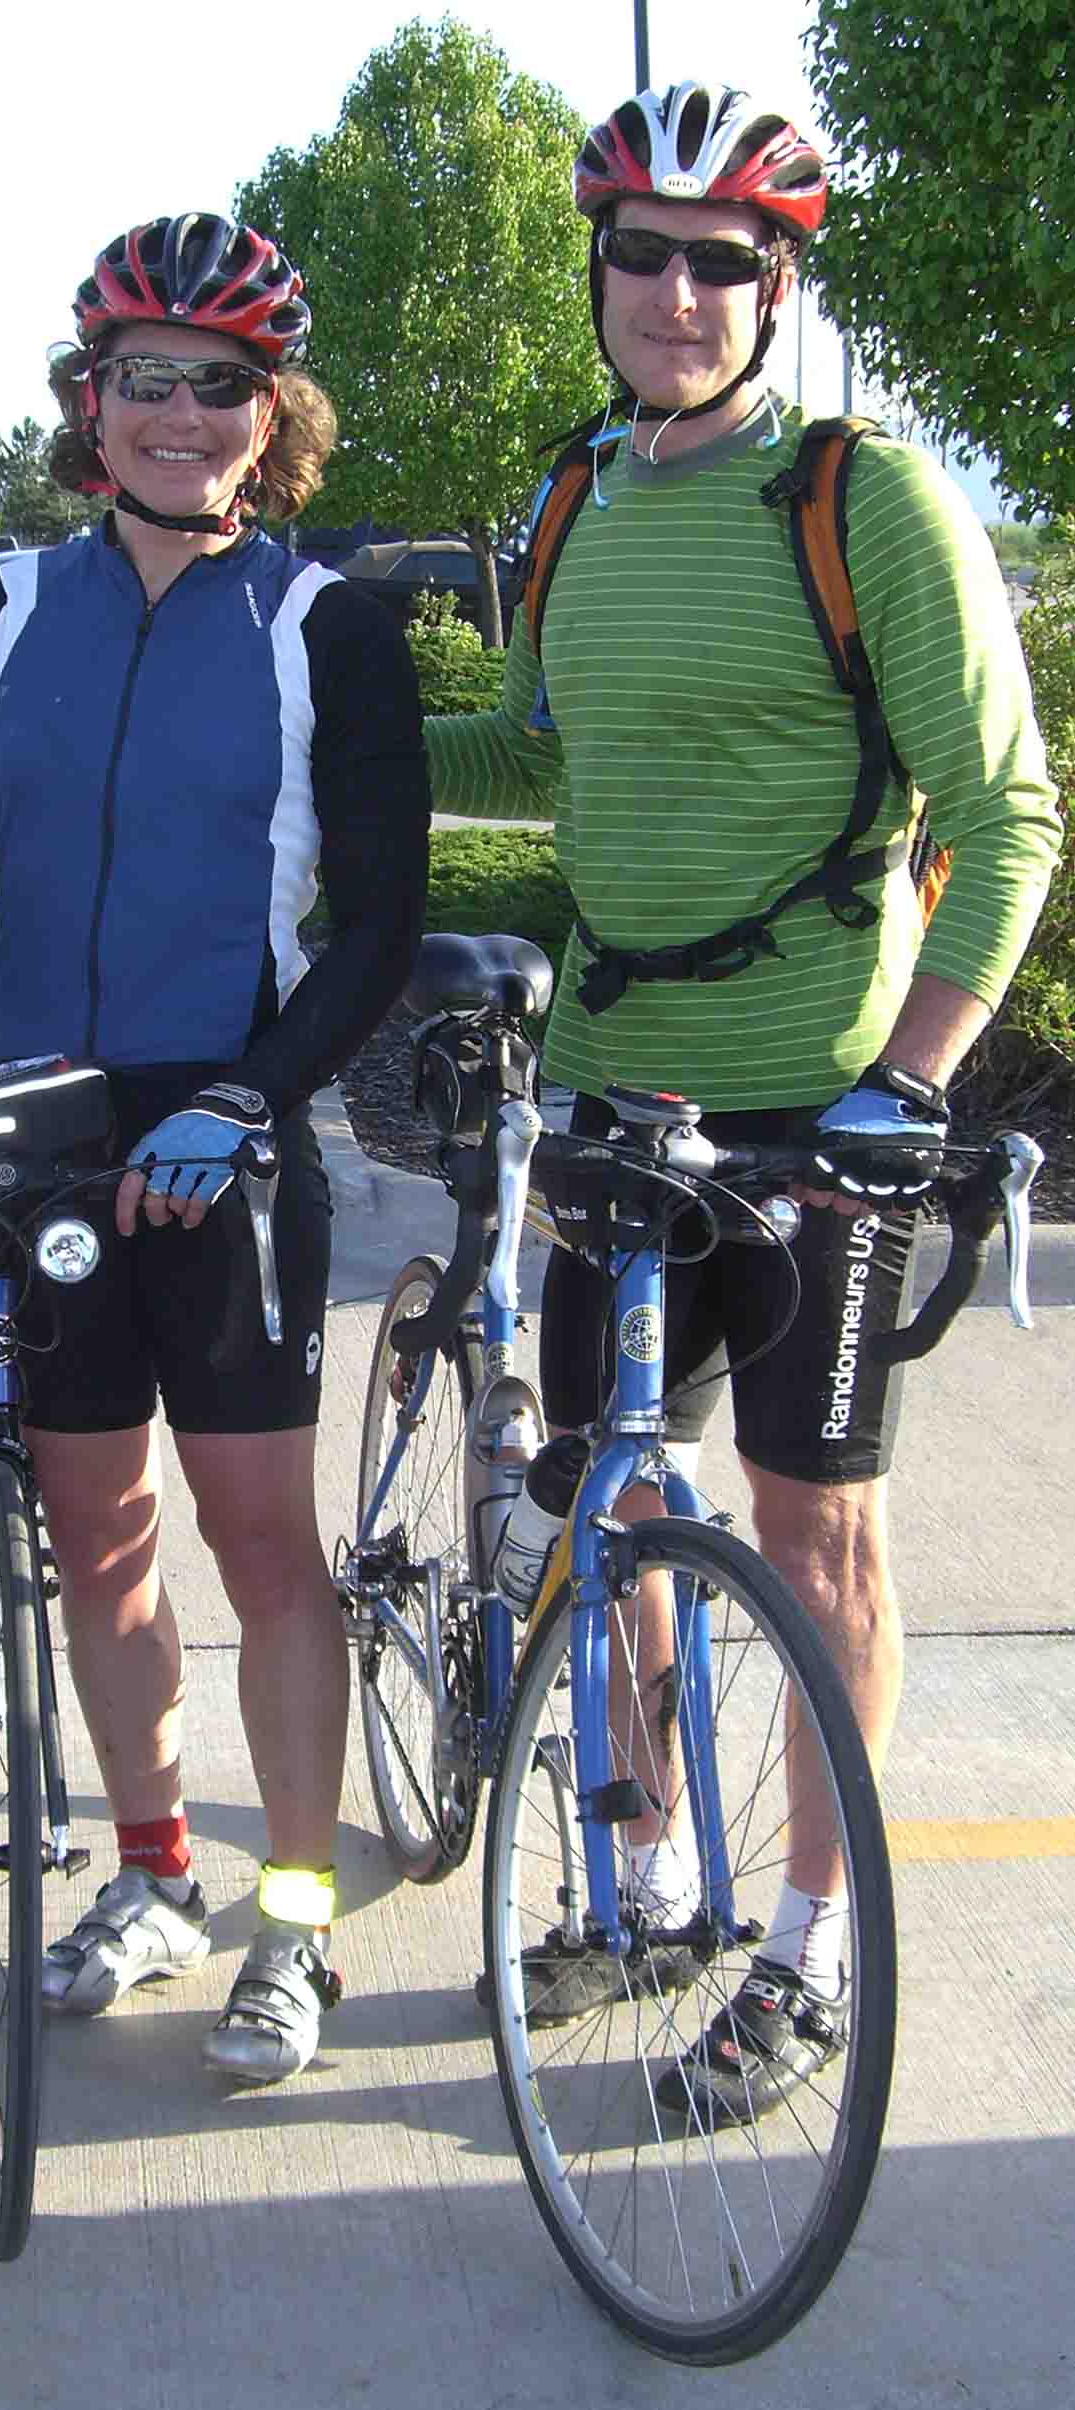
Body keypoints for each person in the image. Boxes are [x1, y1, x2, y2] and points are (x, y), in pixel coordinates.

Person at [427, 82, 1062, 2120]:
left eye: (725, 263)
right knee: (614, 1502)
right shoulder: (573, 499)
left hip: (816, 1118)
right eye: (643, 253)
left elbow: (1006, 809)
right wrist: (333, 732)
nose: (677, 293)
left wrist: (906, 1080)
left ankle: (808, 1946)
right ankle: (640, 1886)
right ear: (598, 272)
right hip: (613, 1104)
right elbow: (557, 763)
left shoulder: (862, 499)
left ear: (776, 290)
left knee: (813, 1530)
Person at [0, 212, 429, 2085]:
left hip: (229, 1130)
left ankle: (292, 1918)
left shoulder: (326, 625)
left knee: (259, 1539)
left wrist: (253, 1095)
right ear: (90, 399)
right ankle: (153, 1873)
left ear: (270, 414)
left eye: (220, 383)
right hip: (43, 1137)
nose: (179, 414)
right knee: (97, 1530)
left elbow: (378, 923)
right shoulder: (5, 607)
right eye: (144, 377)